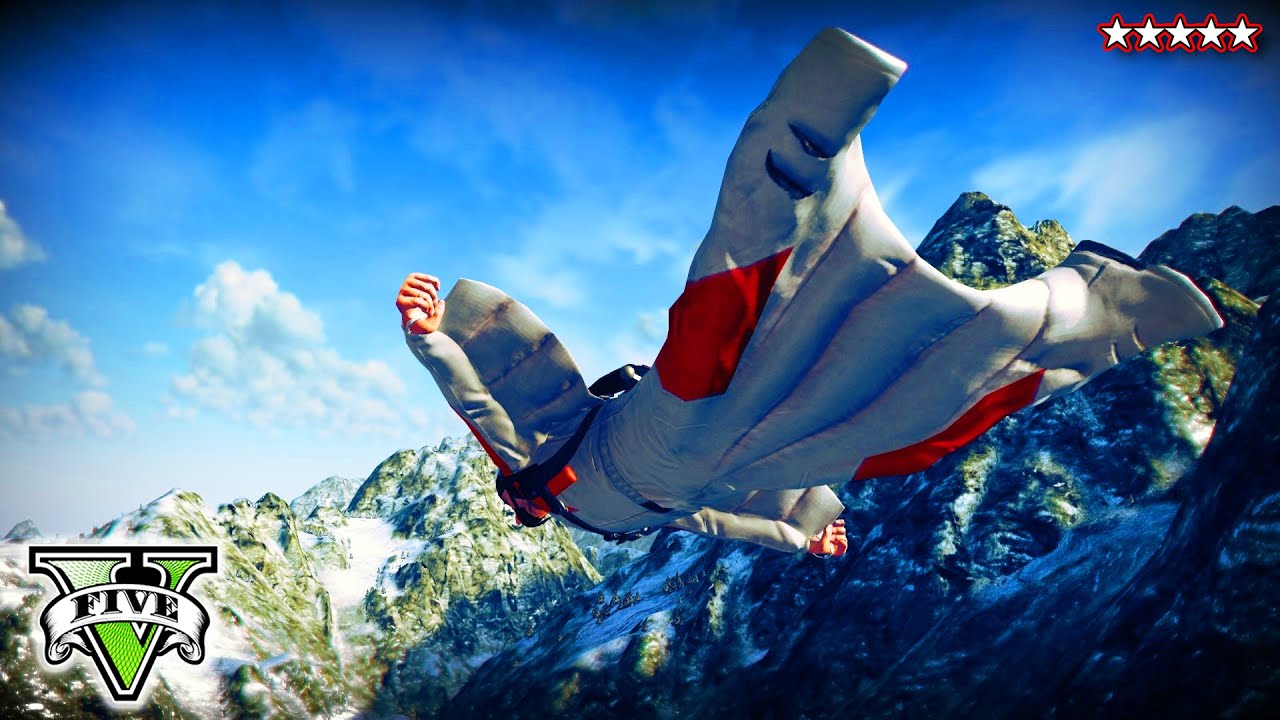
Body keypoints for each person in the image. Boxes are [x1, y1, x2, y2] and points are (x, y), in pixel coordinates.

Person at [395, 28, 1222, 558]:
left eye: (523, 515)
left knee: (713, 337)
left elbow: (479, 405)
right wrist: (800, 537)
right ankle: (1101, 313)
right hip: (726, 464)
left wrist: (429, 337)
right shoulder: (618, 517)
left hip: (656, 437)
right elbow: (721, 522)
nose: (527, 519)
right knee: (908, 430)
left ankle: (802, 152)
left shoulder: (539, 476)